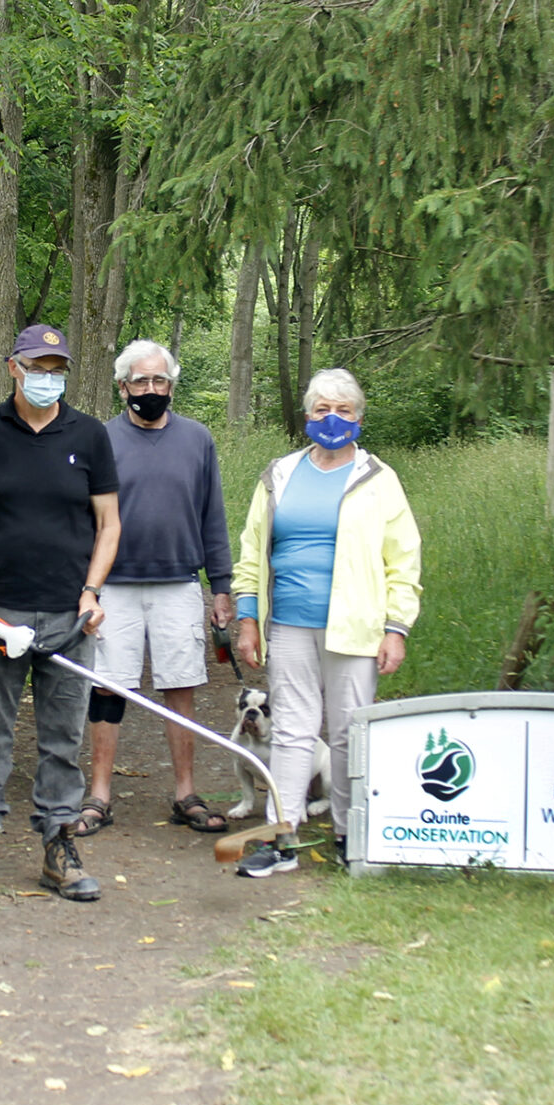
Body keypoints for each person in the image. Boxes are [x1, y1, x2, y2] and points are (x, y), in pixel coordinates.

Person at [0, 326, 120, 901]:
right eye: (38, 366)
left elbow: (109, 524)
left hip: (69, 615)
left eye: (57, 366)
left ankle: (59, 844)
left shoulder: (89, 435)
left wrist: (92, 591)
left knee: (62, 736)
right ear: (13, 367)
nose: (48, 376)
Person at [231, 368, 421, 874]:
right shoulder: (280, 475)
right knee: (291, 731)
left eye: (343, 410)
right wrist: (248, 619)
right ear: (307, 416)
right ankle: (281, 835)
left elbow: (404, 559)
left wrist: (396, 628)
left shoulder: (378, 479)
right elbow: (252, 550)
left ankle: (347, 835)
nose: (332, 419)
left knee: (347, 733)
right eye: (321, 410)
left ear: (358, 418)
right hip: (289, 624)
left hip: (356, 629)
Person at [78, 340, 237, 836]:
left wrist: (222, 586)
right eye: (141, 381)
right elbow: (85, 520)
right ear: (123, 386)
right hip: (115, 587)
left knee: (180, 686)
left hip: (179, 583)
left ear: (171, 385)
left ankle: (185, 792)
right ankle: (99, 794)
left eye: (160, 381)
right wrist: (86, 587)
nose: (151, 390)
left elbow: (213, 514)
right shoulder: (99, 440)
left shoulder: (197, 440)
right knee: (108, 688)